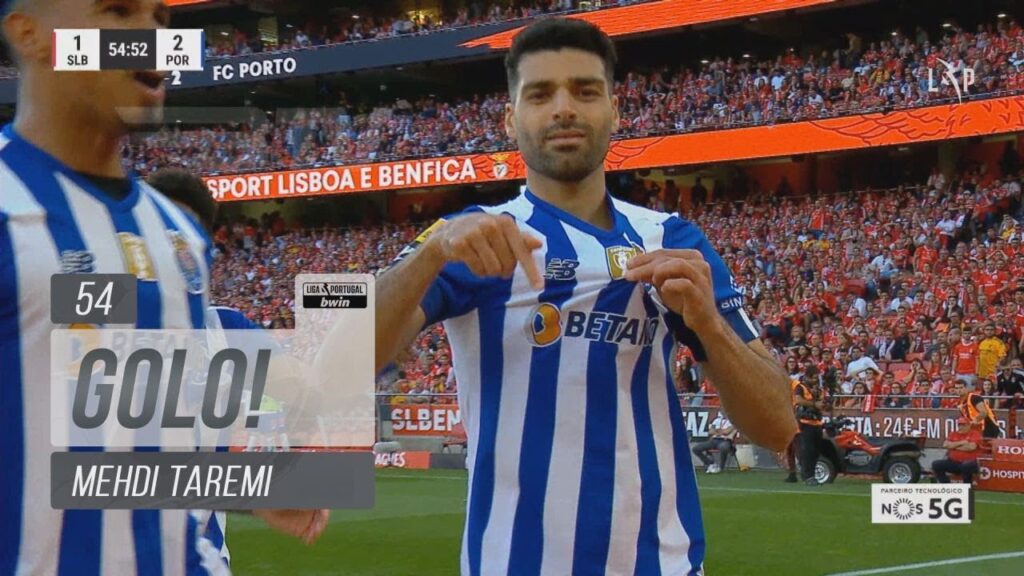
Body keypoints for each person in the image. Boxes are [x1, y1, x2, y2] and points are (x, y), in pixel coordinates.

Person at [373, 18, 795, 575]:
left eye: (586, 90)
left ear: (614, 112)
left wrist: (710, 327)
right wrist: (426, 255)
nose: (564, 108)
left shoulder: (672, 239)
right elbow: (334, 352)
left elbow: (779, 426)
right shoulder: (472, 237)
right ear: (511, 118)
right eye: (541, 93)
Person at [0, 1, 235, 573]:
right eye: (119, 11)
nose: (150, 37)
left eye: (160, 19)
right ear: (28, 33)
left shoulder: (180, 238)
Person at [145, 168, 330, 564]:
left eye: (185, 238)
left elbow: (302, 394)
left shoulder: (224, 327)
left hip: (198, 558)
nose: (173, 249)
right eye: (158, 231)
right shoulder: (88, 313)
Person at [793, 374, 827, 485]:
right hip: (805, 423)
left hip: (817, 423)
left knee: (816, 452)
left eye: (815, 378)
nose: (814, 379)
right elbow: (798, 400)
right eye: (812, 377)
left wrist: (824, 403)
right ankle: (807, 476)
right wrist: (814, 404)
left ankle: (811, 475)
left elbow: (824, 406)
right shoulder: (800, 387)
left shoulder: (819, 390)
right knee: (808, 450)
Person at [931, 418, 983, 484]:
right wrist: (962, 443)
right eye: (959, 425)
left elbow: (971, 447)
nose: (961, 427)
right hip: (953, 462)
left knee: (966, 466)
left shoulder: (975, 434)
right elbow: (945, 445)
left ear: (969, 425)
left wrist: (953, 446)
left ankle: (967, 489)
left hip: (970, 463)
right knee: (936, 464)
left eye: (963, 425)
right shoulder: (953, 434)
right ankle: (946, 487)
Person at [691, 410, 738, 474]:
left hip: (725, 441)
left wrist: (718, 431)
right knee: (696, 448)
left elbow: (726, 432)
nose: (724, 413)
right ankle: (710, 463)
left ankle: (721, 467)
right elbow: (710, 431)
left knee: (723, 447)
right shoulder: (717, 420)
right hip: (714, 440)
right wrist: (721, 431)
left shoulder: (734, 421)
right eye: (723, 411)